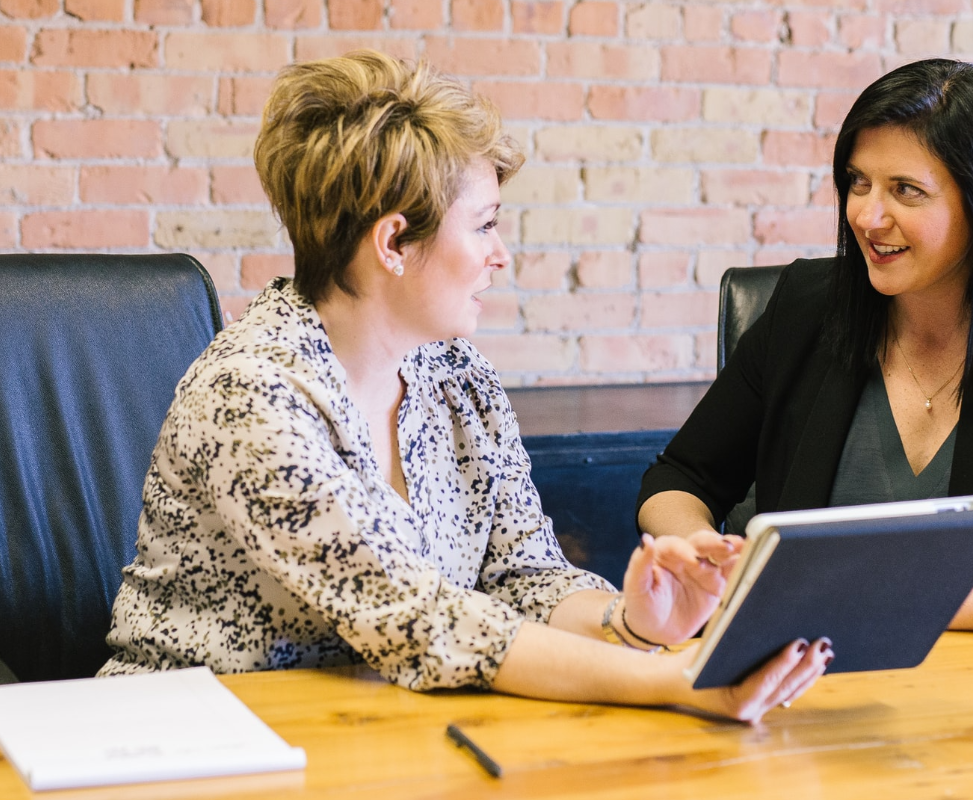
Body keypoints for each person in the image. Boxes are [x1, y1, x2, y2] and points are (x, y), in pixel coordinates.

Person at [99, 51, 829, 722]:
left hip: (378, 730)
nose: (501, 255)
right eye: (483, 226)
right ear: (393, 243)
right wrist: (676, 680)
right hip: (188, 738)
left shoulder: (456, 376)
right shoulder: (252, 394)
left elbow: (524, 575)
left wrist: (632, 623)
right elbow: (420, 619)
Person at [637, 58, 973, 640]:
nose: (867, 215)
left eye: (906, 190)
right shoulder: (807, 308)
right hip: (800, 679)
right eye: (859, 183)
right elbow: (679, 477)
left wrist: (856, 596)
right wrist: (698, 552)